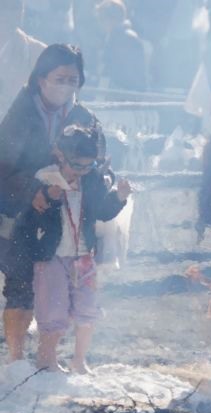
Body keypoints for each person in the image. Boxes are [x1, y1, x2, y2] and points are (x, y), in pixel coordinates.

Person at [0, 44, 104, 363]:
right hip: (19, 212)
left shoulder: (84, 117)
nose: (67, 86)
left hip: (65, 219)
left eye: (74, 80)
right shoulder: (20, 111)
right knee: (18, 282)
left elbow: (100, 162)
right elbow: (4, 164)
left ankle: (52, 356)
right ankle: (16, 357)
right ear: (42, 78)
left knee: (58, 286)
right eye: (60, 78)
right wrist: (33, 191)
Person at [13, 125, 130, 373]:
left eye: (87, 166)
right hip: (51, 255)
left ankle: (79, 359)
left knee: (87, 306)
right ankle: (47, 359)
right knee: (52, 307)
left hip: (84, 255)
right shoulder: (44, 179)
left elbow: (102, 212)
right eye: (76, 165)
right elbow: (29, 220)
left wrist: (119, 197)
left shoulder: (92, 181)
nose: (81, 171)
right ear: (60, 155)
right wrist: (47, 198)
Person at [0, 0, 45, 117]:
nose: (10, 14)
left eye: (16, 7)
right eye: (4, 7)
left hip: (21, 126)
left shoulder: (38, 52)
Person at [94, 0, 149, 92]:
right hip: (119, 92)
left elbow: (127, 75)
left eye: (102, 19)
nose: (100, 24)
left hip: (125, 94)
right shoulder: (115, 37)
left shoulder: (125, 39)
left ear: (112, 19)